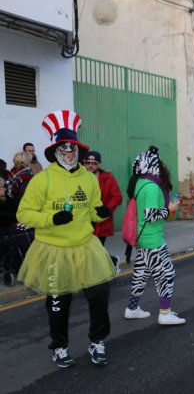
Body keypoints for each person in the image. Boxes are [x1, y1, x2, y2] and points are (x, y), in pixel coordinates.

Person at [17, 110, 116, 368]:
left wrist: (100, 212)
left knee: (99, 295)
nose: (70, 153)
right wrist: (52, 218)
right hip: (53, 250)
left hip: (85, 246)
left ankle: (97, 340)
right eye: (65, 148)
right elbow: (24, 213)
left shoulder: (88, 177)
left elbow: (93, 207)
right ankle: (59, 346)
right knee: (59, 302)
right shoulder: (42, 179)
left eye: (74, 148)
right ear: (56, 150)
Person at [123, 146, 185, 325]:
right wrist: (170, 209)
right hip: (152, 239)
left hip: (144, 238)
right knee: (167, 274)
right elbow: (150, 215)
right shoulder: (151, 186)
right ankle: (165, 313)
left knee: (141, 274)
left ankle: (132, 308)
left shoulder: (141, 182)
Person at [84, 151, 123, 270]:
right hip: (84, 221)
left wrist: (107, 208)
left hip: (101, 221)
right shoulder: (79, 178)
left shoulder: (108, 178)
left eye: (94, 163)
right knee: (89, 250)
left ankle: (108, 265)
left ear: (99, 164)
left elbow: (117, 197)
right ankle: (111, 262)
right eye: (88, 163)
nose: (91, 165)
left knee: (95, 249)